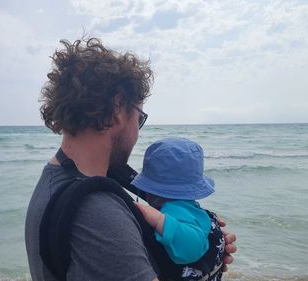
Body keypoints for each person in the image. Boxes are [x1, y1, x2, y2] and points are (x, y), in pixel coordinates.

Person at [24, 36, 236, 281]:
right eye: (140, 118)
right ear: (117, 109)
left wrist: (203, 250)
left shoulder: (56, 178)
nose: (138, 131)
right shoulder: (96, 212)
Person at [133, 137, 225, 281]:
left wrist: (159, 220)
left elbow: (191, 248)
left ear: (148, 191)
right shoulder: (193, 210)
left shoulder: (172, 210)